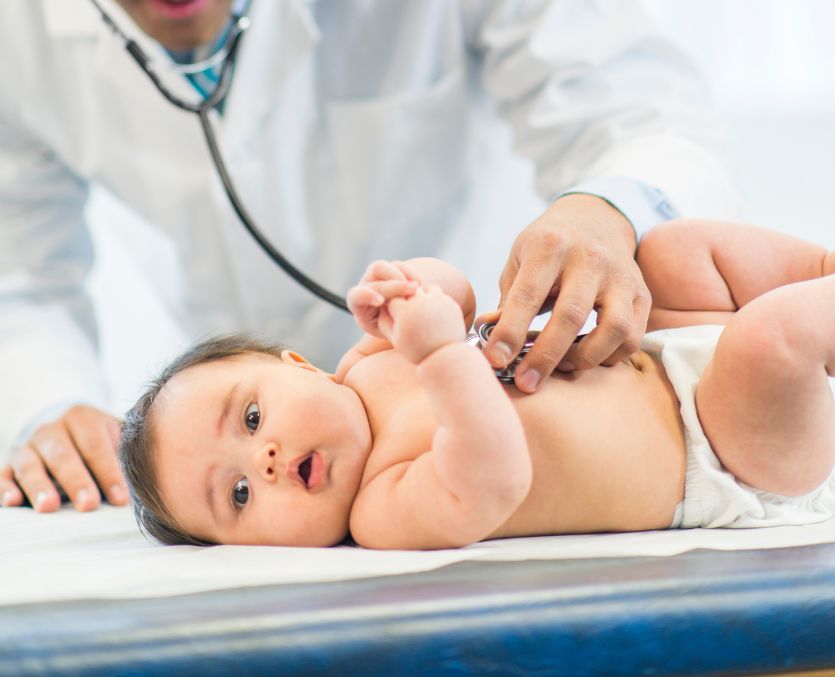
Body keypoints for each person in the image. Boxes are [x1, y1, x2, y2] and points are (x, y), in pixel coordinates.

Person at [0, 0, 737, 514]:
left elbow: (636, 107)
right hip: (285, 476)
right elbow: (20, 277)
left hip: (540, 371)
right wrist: (51, 403)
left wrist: (605, 211)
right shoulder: (19, 33)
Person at [117, 220, 835, 549]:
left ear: (296, 364)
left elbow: (453, 293)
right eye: (237, 495)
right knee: (769, 342)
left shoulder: (366, 360)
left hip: (660, 349)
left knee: (668, 252)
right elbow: (494, 474)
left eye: (248, 419)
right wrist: (436, 354)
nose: (263, 460)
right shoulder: (383, 510)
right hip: (719, 453)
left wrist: (409, 285)